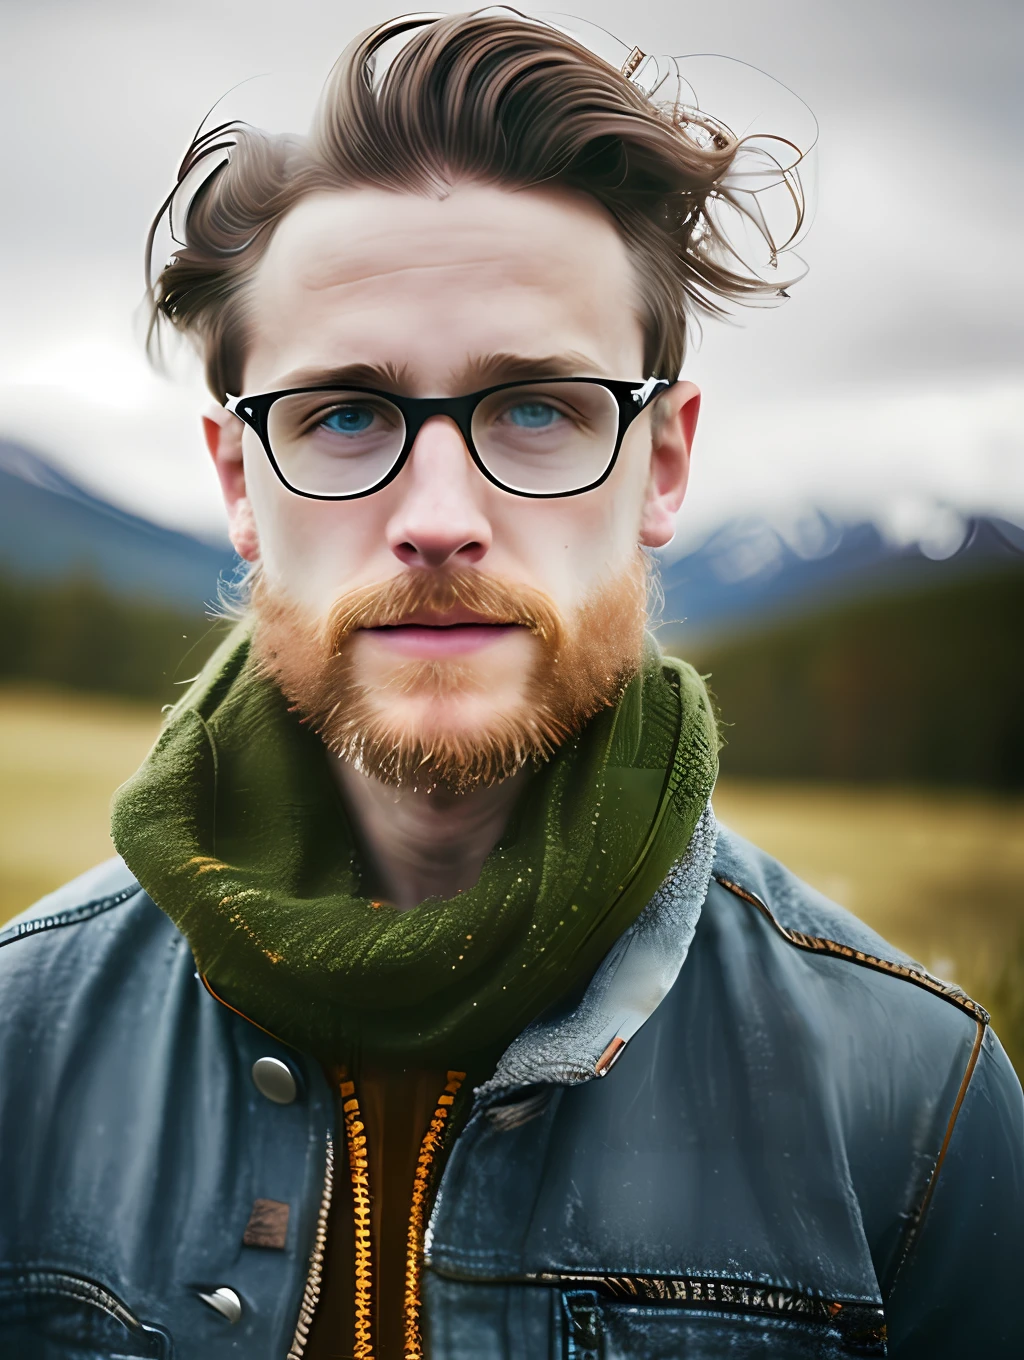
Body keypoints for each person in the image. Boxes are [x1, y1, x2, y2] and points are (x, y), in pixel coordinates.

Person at [1, 11, 1020, 1359]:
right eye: (345, 412)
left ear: (661, 464)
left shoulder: (912, 1099)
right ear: (240, 480)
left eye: (537, 405)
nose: (438, 517)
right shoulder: (21, 1044)